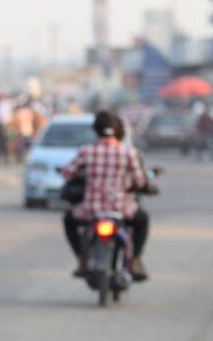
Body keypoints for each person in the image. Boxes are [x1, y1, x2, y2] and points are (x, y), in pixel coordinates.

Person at [62, 111, 150, 280]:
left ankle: (81, 259)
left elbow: (67, 172)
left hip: (91, 209)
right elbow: (139, 182)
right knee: (142, 220)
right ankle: (136, 260)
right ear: (119, 132)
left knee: (68, 219)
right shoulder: (128, 153)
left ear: (96, 130)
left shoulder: (87, 151)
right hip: (121, 209)